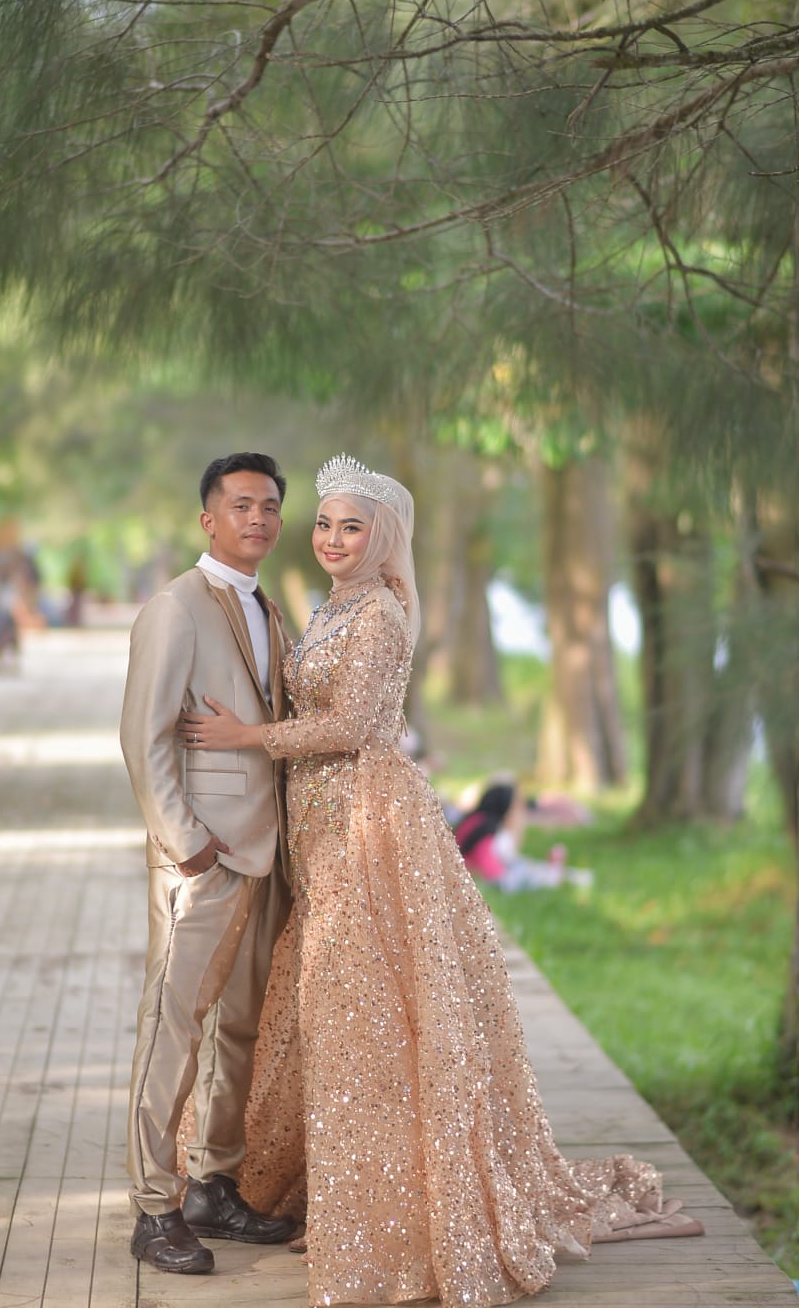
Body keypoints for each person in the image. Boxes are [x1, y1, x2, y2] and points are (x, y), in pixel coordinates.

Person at [178, 454, 701, 1308]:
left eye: (352, 527)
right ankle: (348, 1195)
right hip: (320, 826)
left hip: (367, 826)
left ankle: (387, 1215)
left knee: (367, 1016)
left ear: (384, 538)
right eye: (325, 524)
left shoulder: (381, 612)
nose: (332, 539)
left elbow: (355, 726)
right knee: (338, 1012)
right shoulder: (335, 605)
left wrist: (245, 738)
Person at [119, 452, 296, 1276]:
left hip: (264, 854)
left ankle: (212, 1187)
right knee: (172, 1026)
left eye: (270, 507)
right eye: (241, 505)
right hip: (200, 858)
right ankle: (154, 1208)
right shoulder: (175, 608)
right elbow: (144, 734)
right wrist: (183, 842)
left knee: (238, 1030)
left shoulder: (268, 605)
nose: (257, 518)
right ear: (208, 519)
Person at [455, 777, 594, 892]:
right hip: (492, 877)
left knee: (530, 868)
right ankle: (563, 877)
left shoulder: (476, 820)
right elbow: (494, 874)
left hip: (487, 872)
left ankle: (565, 876)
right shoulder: (486, 830)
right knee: (530, 873)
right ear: (505, 806)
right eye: (516, 807)